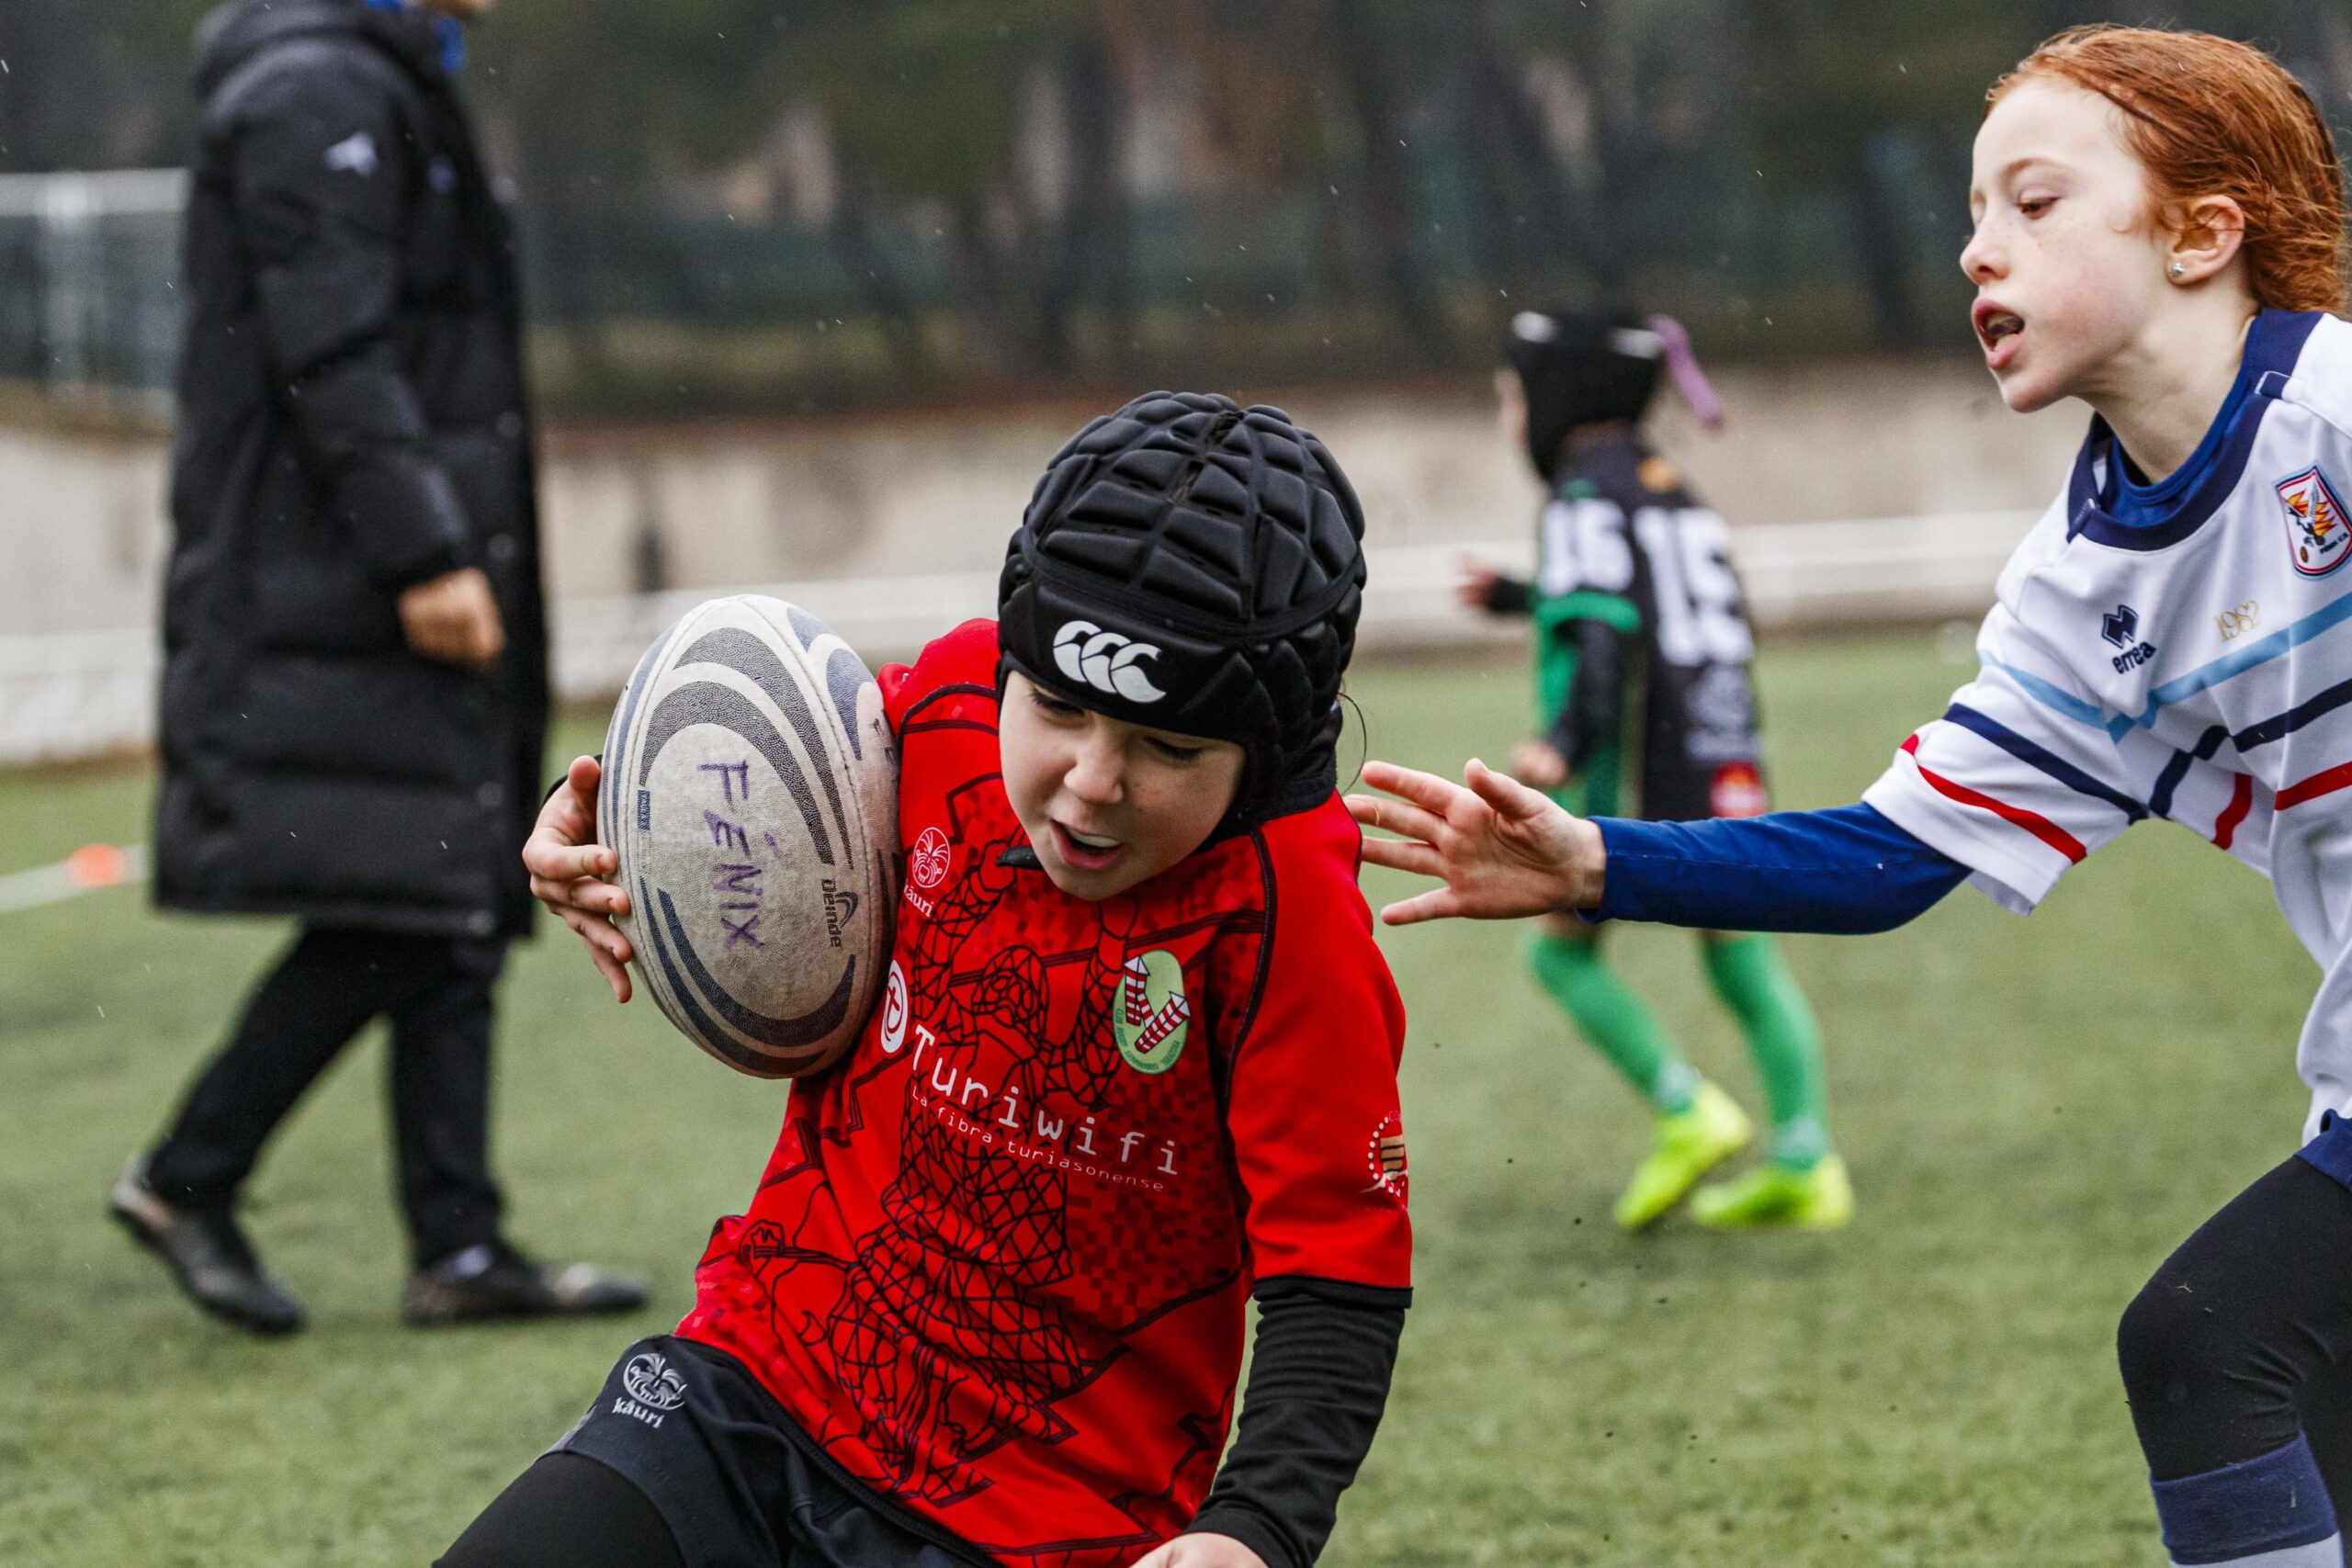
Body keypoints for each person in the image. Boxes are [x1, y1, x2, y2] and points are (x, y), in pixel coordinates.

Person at [1347, 25, 2352, 1568]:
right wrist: (1596, 859)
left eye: (2032, 203)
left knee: (2212, 1344)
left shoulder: (2337, 415)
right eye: (1968, 213)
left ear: (2204, 234)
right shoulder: (2078, 593)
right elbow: (1891, 858)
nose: (1974, 250)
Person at [445, 392, 1414, 1568]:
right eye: (1056, 707)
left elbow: (1336, 1282)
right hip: (753, 1382)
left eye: (1167, 748)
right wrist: (594, 820)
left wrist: (1254, 1530)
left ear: (1264, 756)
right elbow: (750, 778)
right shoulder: (942, 707)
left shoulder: (1291, 918)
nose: (1090, 781)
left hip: (1044, 1517)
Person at [109, 0, 643, 1336]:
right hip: (344, 575)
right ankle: (190, 1174)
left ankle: (457, 1246)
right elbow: (331, 349)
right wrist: (425, 552)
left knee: (455, 889)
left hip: (386, 561)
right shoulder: (313, 90)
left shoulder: (377, 74)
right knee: (405, 898)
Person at [1461, 305, 1848, 1231]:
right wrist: (1522, 595)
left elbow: (1604, 626)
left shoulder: (1580, 496)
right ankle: (1806, 1159)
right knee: (1741, 956)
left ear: (1553, 398)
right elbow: (1656, 601)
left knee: (1557, 953)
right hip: (1723, 753)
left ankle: (1686, 1109)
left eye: (1511, 398)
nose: (1510, 419)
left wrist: (1567, 738)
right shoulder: (1672, 488)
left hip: (1633, 757)